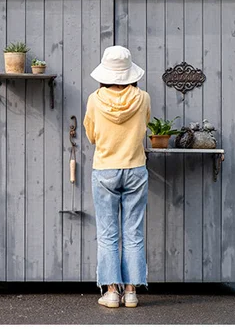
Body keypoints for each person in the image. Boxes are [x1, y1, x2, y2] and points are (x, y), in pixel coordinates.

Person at [83, 45, 151, 309]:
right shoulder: (142, 98)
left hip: (105, 169)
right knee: (133, 233)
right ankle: (132, 292)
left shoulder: (94, 99)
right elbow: (144, 125)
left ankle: (111, 292)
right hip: (135, 168)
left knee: (108, 234)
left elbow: (91, 135)